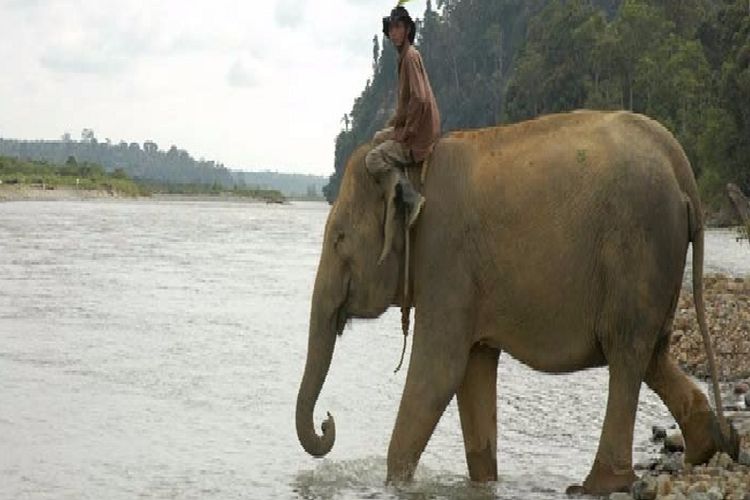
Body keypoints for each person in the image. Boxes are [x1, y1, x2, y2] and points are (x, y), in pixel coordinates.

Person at [365, 4, 441, 228]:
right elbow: (410, 103)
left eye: (398, 27)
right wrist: (395, 124)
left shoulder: (409, 57)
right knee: (379, 137)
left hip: (419, 136)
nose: (393, 32)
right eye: (391, 28)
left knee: (373, 159)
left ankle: (410, 198)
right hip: (418, 126)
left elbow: (420, 99)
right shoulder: (408, 56)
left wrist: (406, 133)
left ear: (407, 30)